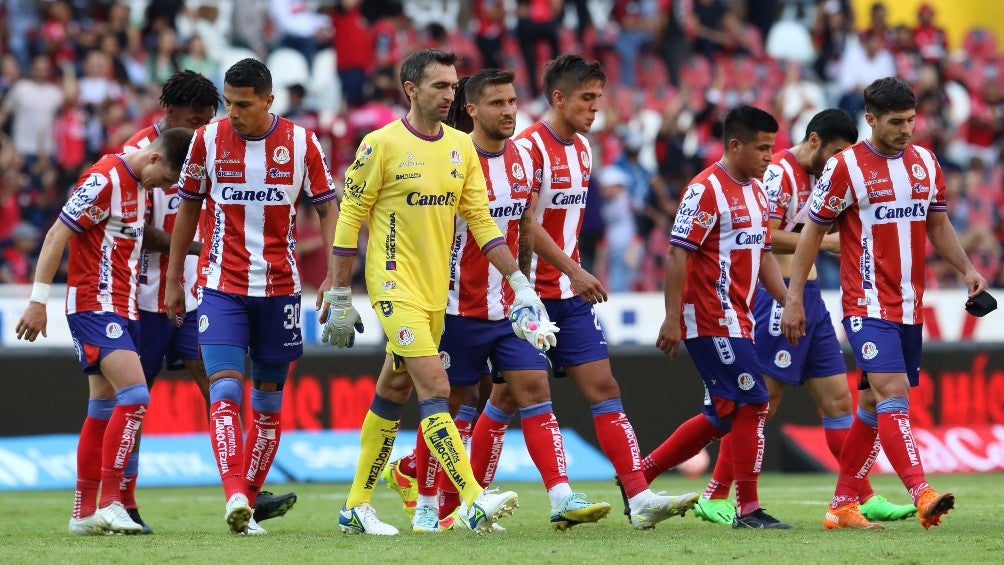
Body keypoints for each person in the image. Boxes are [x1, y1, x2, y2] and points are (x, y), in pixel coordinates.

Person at [320, 49, 556, 536]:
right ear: (411, 89)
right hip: (392, 286)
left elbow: (482, 223)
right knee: (437, 389)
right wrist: (340, 292)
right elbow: (349, 216)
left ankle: (355, 507)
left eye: (453, 87)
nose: (450, 96)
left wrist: (519, 283)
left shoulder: (459, 147)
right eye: (439, 87)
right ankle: (471, 499)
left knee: (395, 388)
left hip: (435, 297)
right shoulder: (379, 144)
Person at [382, 69, 611, 533]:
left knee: (535, 390)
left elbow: (524, 226)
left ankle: (562, 495)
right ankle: (427, 503)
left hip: (508, 308)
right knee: (446, 405)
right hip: (455, 308)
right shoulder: (452, 159)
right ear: (472, 110)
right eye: (496, 103)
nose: (507, 111)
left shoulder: (522, 160)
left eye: (511, 102)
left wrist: (525, 287)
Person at [781, 77, 988, 530]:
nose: (906, 130)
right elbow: (811, 232)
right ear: (870, 119)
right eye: (896, 122)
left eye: (911, 120)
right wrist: (793, 296)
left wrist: (967, 269)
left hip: (910, 305)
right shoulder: (845, 168)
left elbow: (937, 226)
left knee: (873, 407)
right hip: (866, 304)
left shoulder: (926, 163)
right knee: (894, 393)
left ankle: (841, 505)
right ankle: (922, 492)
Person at [691, 108, 915, 526]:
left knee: (837, 398)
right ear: (814, 140)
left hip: (809, 295)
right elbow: (763, 234)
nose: (838, 161)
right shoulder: (779, 173)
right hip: (779, 294)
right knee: (764, 399)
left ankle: (858, 496)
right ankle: (716, 492)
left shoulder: (827, 175)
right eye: (834, 152)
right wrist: (827, 242)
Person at [504, 53, 698, 530]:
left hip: (568, 298)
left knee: (604, 388)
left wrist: (574, 271)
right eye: (587, 98)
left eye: (599, 98)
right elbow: (526, 224)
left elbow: (566, 223)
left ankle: (639, 496)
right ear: (559, 97)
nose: (595, 108)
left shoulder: (585, 148)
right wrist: (574, 268)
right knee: (504, 397)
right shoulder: (528, 149)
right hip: (524, 295)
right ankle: (449, 499)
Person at [163, 58, 338, 536]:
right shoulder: (206, 140)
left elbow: (327, 209)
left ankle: (250, 499)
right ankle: (235, 494)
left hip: (281, 292)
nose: (233, 113)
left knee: (266, 403)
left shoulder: (302, 143)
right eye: (229, 102)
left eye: (243, 104)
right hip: (221, 288)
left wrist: (337, 274)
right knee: (223, 390)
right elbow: (186, 212)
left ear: (268, 101)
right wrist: (175, 277)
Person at [122, 70, 298, 533]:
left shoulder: (212, 146)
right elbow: (134, 230)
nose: (207, 122)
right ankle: (123, 499)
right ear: (171, 113)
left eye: (211, 114)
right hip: (143, 298)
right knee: (134, 398)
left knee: (219, 386)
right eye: (196, 115)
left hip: (200, 295)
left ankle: (242, 492)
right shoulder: (137, 153)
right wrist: (208, 246)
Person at [15, 127, 195, 536]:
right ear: (153, 158)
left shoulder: (138, 186)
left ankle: (82, 513)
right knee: (136, 394)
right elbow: (58, 232)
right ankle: (112, 502)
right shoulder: (104, 178)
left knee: (102, 406)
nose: (164, 187)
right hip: (94, 305)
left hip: (123, 306)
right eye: (166, 179)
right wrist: (38, 300)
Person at [639, 104, 793, 529]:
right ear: (735, 145)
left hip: (738, 318)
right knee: (755, 401)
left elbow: (761, 255)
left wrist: (785, 299)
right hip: (707, 315)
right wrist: (672, 318)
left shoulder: (759, 192)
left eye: (773, 148)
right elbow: (677, 253)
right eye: (762, 148)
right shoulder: (705, 189)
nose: (769, 156)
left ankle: (638, 477)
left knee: (724, 415)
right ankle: (748, 508)